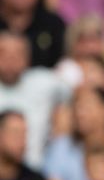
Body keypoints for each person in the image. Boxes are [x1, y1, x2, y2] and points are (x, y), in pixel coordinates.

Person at [0, 31, 70, 168]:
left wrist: (63, 120)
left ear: (28, 58)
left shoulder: (45, 81)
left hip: (36, 169)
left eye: (17, 54)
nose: (10, 60)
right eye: (3, 53)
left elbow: (78, 93)